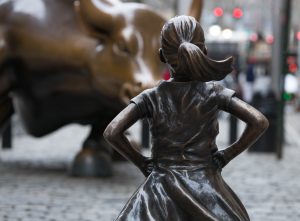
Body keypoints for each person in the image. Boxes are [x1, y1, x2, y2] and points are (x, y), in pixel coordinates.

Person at [104, 15, 269, 221]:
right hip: (206, 186)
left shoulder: (151, 97)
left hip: (159, 188)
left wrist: (142, 162)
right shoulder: (214, 92)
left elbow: (112, 132)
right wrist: (227, 154)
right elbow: (259, 121)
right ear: (204, 51)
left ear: (162, 56)